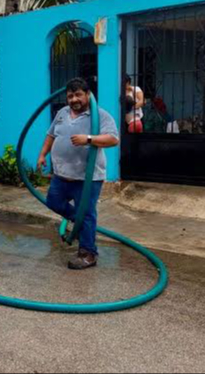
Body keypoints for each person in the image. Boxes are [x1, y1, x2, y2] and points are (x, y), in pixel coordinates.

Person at [37, 78, 120, 270]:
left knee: (88, 213)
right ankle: (81, 224)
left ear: (88, 94)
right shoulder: (61, 113)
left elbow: (113, 139)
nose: (74, 99)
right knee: (53, 202)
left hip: (87, 178)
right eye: (70, 96)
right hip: (61, 175)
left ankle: (88, 253)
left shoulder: (100, 115)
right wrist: (42, 155)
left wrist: (88, 139)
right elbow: (51, 135)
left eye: (78, 95)